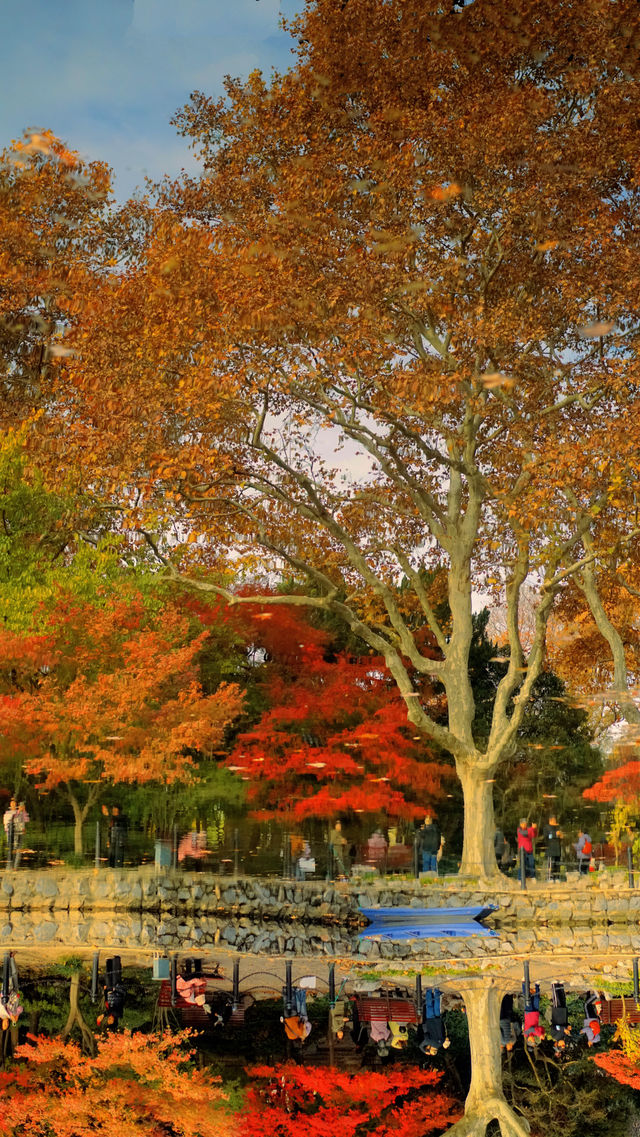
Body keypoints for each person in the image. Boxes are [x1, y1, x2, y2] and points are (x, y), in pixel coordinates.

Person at [550, 981, 571, 1054]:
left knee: (557, 999)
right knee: (563, 998)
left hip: (557, 1013)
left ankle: (554, 985)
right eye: (564, 1045)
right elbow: (565, 1025)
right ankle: (560, 985)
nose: (563, 1043)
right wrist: (568, 1026)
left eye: (561, 1045)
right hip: (564, 1014)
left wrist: (563, 1029)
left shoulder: (554, 1036)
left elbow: (554, 1027)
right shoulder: (565, 1035)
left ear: (558, 1044)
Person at [523, 982, 545, 1048]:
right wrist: (542, 1034)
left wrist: (539, 1034)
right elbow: (541, 1028)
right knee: (537, 999)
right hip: (535, 1013)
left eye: (532, 1040)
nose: (534, 1039)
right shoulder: (535, 1034)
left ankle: (524, 984)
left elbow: (532, 1028)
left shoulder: (526, 1034)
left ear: (529, 1040)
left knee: (527, 997)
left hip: (528, 1013)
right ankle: (537, 985)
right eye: (534, 1040)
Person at [544, 816, 563, 881]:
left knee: (557, 865)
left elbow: (561, 837)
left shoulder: (557, 827)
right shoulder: (546, 828)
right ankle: (550, 878)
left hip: (557, 849)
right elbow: (547, 837)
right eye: (554, 820)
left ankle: (557, 878)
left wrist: (561, 836)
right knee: (551, 864)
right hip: (550, 850)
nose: (555, 822)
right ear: (550, 820)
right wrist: (555, 834)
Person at [12, 801, 29, 869]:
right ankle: (12, 864)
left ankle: (15, 866)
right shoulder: (16, 813)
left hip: (21, 833)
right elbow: (14, 820)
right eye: (21, 806)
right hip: (16, 832)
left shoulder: (23, 813)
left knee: (19, 849)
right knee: (15, 848)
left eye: (23, 806)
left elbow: (27, 820)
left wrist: (24, 811)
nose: (22, 807)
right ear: (18, 806)